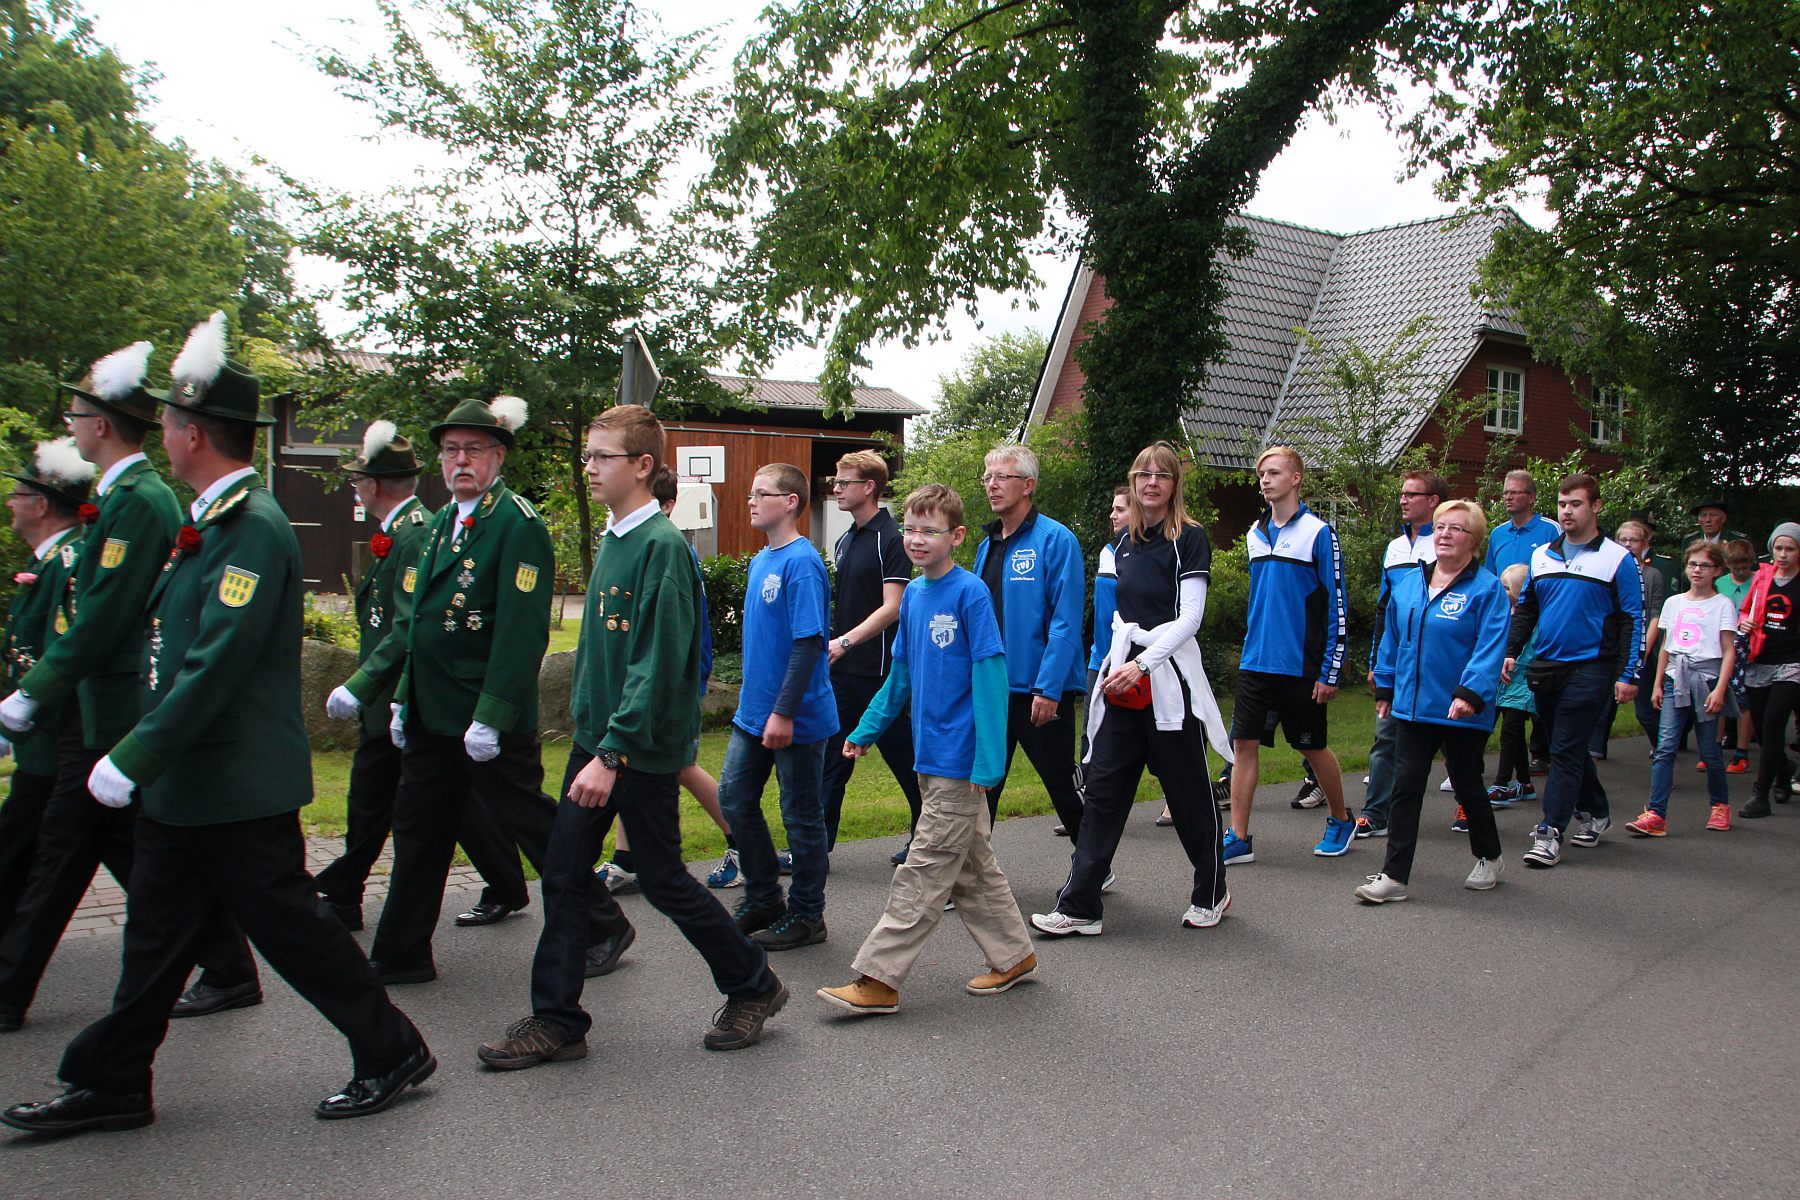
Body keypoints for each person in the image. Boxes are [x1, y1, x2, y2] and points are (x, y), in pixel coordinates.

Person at [1, 315, 432, 1137]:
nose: (161, 432)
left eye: (168, 420)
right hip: (191, 780)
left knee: (291, 926)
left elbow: (216, 662)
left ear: (191, 433)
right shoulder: (213, 519)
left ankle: (391, 1047)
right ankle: (112, 1080)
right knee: (155, 932)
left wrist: (135, 752)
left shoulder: (253, 525)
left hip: (233, 778)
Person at [476, 405, 786, 1067]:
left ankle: (753, 984)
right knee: (564, 874)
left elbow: (658, 663)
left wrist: (612, 753)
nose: (588, 468)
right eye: (587, 455)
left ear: (643, 465)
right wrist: (595, 741)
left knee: (664, 879)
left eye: (602, 457)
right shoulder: (616, 538)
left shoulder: (660, 548)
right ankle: (559, 1020)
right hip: (601, 743)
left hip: (634, 750)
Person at [0, 340, 257, 1033]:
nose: (71, 426)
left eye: (76, 415)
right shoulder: (122, 498)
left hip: (116, 707)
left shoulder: (139, 501)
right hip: (100, 707)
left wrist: (34, 690)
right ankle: (226, 965)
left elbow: (107, 614)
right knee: (125, 845)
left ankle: (10, 989)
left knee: (64, 848)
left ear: (100, 424)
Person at [345, 395, 632, 984]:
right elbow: (419, 623)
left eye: (473, 449)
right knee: (418, 829)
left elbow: (521, 634)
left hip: (484, 716)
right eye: (451, 450)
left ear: (498, 456)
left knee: (531, 822)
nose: (461, 461)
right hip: (432, 711)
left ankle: (602, 923)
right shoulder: (441, 524)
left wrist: (493, 714)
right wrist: (400, 696)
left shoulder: (515, 525)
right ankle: (400, 952)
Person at [817, 483, 1035, 1012]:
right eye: (910, 529)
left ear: (955, 536)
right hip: (928, 754)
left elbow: (991, 677)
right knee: (972, 869)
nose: (916, 539)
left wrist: (989, 760)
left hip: (961, 760)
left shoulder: (970, 594)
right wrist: (866, 730)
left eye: (929, 531)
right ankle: (1014, 956)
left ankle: (879, 979)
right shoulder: (913, 596)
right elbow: (900, 676)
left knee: (924, 867)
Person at [318, 421, 525, 932]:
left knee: (399, 803)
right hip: (408, 697)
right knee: (428, 811)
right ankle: (396, 930)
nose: (356, 488)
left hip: (430, 696)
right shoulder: (428, 527)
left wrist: (375, 689)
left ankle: (344, 893)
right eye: (450, 450)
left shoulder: (424, 532)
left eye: (471, 449)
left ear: (374, 484)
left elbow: (416, 626)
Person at [1031, 442, 1232, 936]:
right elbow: (1121, 616)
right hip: (1125, 683)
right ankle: (1080, 905)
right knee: (1103, 792)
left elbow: (1190, 618)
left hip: (1169, 682)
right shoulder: (1123, 544)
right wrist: (1120, 665)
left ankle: (1211, 890)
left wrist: (1143, 664)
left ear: (1174, 483)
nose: (1151, 483)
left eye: (1162, 475)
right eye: (1143, 474)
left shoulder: (1190, 539)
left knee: (1188, 793)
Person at [595, 465, 742, 891]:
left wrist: (689, 680)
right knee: (632, 762)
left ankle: (746, 846)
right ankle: (626, 860)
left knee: (681, 766)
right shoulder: (628, 542)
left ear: (669, 507)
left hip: (676, 682)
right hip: (640, 683)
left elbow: (678, 634)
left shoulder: (669, 547)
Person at [1355, 500, 1509, 903]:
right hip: (1412, 708)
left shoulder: (1487, 589)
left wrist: (1470, 693)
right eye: (1440, 527)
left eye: (1456, 528)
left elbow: (1490, 647)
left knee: (1467, 785)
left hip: (1461, 709)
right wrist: (1386, 687)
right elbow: (1392, 639)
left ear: (1473, 541)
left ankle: (1489, 857)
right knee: (1405, 787)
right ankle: (1394, 877)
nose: (1444, 534)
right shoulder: (1410, 584)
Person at [717, 463, 836, 951]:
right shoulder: (761, 560)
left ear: (790, 502)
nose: (750, 501)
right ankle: (765, 896)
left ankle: (808, 915)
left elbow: (809, 643)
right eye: (751, 493)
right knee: (733, 798)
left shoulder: (801, 563)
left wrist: (784, 712)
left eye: (761, 493)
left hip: (796, 718)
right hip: (752, 714)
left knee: (801, 816)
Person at [1503, 472, 1645, 869]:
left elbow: (1632, 618)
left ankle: (1549, 831)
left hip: (1591, 668)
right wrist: (1511, 651)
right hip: (1546, 666)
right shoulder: (1541, 556)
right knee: (1567, 745)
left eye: (1576, 504)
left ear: (1596, 506)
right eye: (1563, 504)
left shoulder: (1617, 559)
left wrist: (1628, 673)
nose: (1567, 511)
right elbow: (1527, 608)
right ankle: (1596, 811)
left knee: (1564, 748)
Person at [1224, 446, 1356, 863]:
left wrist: (1330, 671)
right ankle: (1238, 836)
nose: (1265, 479)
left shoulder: (1319, 533)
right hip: (1255, 662)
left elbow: (1337, 605)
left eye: (1274, 472)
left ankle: (1341, 818)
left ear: (1296, 478)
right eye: (1261, 473)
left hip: (1300, 665)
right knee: (1244, 744)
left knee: (1311, 747)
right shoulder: (1254, 533)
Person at [971, 444, 1087, 841]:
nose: (992, 485)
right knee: (982, 790)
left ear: (1028, 485)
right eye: (988, 477)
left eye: (1002, 477)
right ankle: (971, 870)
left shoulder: (1056, 540)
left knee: (1063, 789)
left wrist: (1048, 687)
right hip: (993, 690)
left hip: (1039, 692)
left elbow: (1066, 620)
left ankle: (1093, 866)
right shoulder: (987, 546)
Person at [0, 441, 91, 936]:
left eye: (17, 495)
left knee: (28, 848)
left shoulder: (69, 561)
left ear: (40, 505)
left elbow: (68, 652)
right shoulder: (49, 561)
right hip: (42, 745)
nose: (10, 503)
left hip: (56, 744)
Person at [817, 449, 920, 864]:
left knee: (906, 760)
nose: (836, 488)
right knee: (832, 759)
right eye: (836, 481)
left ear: (869, 487)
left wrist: (844, 642)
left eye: (844, 482)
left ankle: (925, 838)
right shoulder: (846, 540)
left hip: (879, 673)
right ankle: (815, 848)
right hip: (843, 672)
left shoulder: (891, 538)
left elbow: (893, 607)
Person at [1625, 541, 1738, 836]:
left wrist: (1720, 689)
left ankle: (1720, 805)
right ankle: (1656, 813)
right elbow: (1667, 645)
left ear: (1717, 571)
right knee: (1665, 748)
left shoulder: (1722, 605)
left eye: (1705, 565)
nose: (1697, 570)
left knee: (1709, 750)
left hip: (1706, 679)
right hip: (1676, 679)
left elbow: (1728, 650)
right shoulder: (1674, 603)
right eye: (1692, 564)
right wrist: (1658, 683)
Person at [1355, 470, 1443, 839]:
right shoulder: (1394, 548)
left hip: (1437, 660)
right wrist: (1377, 662)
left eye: (1412, 494)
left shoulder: (1446, 541)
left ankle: (1468, 807)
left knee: (1454, 741)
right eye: (1402, 494)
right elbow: (1384, 608)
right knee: (1385, 736)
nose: (1403, 500)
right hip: (1399, 660)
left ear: (1433, 500)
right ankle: (1375, 813)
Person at [1484, 468, 1559, 774]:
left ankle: (1541, 750)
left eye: (1515, 492)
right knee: (1506, 684)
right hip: (1507, 616)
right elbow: (1491, 576)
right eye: (1505, 492)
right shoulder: (1498, 534)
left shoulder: (1550, 530)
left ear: (1532, 497)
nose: (1508, 497)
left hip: (1541, 617)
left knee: (1538, 683)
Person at [1735, 523, 1800, 819]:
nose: (1783, 554)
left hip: (1792, 663)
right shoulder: (1762, 578)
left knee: (1774, 722)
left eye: (1790, 549)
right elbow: (1744, 611)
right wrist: (1744, 622)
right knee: (1761, 730)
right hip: (1760, 658)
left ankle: (1760, 795)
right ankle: (1783, 768)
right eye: (1779, 548)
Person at [1589, 519, 1664, 760]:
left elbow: (1655, 615)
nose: (1628, 544)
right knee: (1604, 706)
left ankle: (1663, 749)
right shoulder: (1610, 570)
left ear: (1645, 543)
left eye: (1634, 540)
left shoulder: (1652, 575)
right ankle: (1596, 749)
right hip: (1612, 645)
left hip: (1640, 647)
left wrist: (1644, 647)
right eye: (1623, 540)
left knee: (1644, 710)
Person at [1487, 565, 1538, 809]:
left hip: (1523, 681)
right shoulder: (1502, 613)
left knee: (1510, 730)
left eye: (1507, 587)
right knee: (1513, 733)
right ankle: (1525, 784)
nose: (1502, 591)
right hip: (1503, 681)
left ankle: (1501, 783)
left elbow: (1531, 650)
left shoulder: (1533, 620)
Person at [1718, 539, 1758, 773]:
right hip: (1721, 646)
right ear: (1727, 564)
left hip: (1748, 648)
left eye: (1744, 566)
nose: (1740, 571)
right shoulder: (1720, 583)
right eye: (1735, 567)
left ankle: (1741, 753)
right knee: (1718, 694)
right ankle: (1713, 748)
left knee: (1744, 699)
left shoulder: (1759, 582)